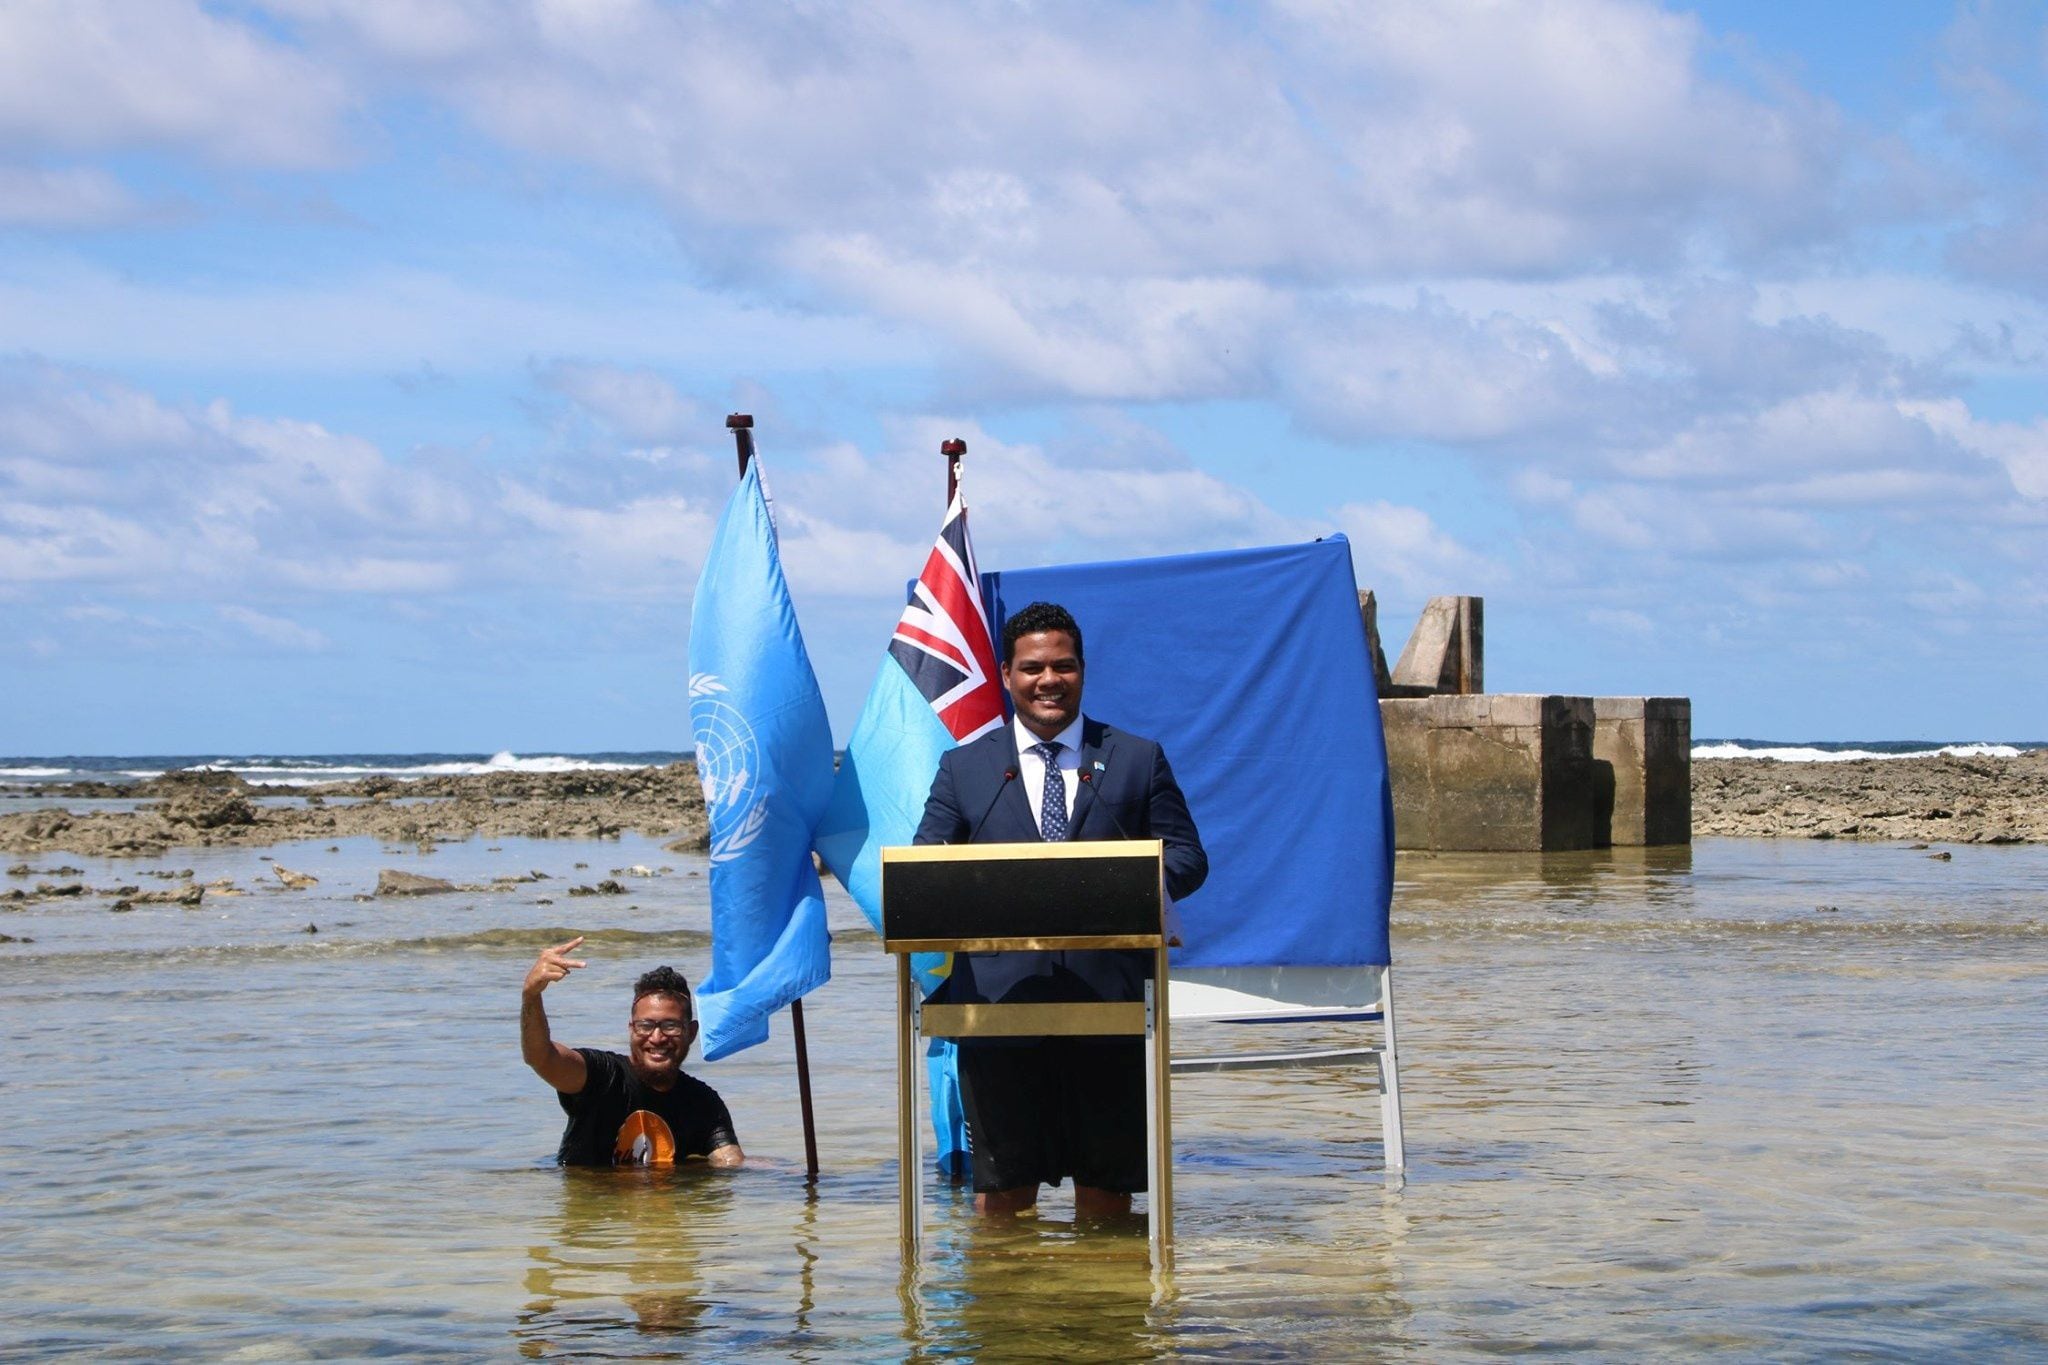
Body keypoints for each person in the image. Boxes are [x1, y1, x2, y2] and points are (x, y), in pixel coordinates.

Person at [914, 600, 1207, 1217]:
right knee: (1002, 1199)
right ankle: (1010, 1312)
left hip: (1111, 1005)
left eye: (1064, 666)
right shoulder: (965, 768)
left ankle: (1097, 1312)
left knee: (1106, 1199)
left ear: (1082, 671)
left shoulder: (1134, 757)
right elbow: (926, 864)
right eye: (1033, 668)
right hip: (997, 1009)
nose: (1049, 680)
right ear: (1006, 674)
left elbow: (1187, 857)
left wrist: (1123, 891)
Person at [521, 936, 744, 1168]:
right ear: (631, 1029)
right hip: (592, 1199)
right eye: (646, 1026)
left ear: (692, 1032)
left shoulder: (703, 1103)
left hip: (663, 1202)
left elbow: (731, 1163)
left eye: (671, 1026)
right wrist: (531, 995)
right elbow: (540, 1057)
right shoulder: (602, 1077)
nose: (657, 1038)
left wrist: (779, 1176)